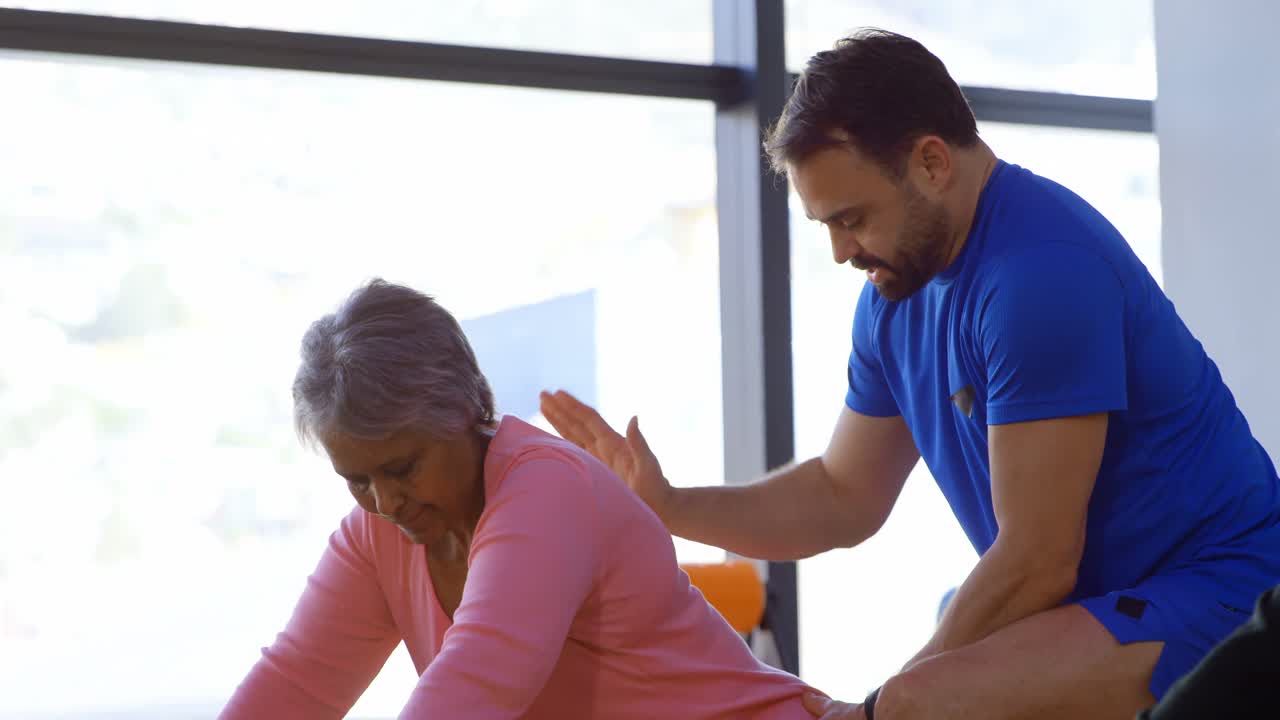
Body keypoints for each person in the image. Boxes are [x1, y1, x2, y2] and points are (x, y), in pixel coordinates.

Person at [539, 28, 1280, 720]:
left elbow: (1037, 559)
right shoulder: (897, 293)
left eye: (852, 218)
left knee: (919, 700)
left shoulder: (1040, 275)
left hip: (1220, 592)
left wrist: (876, 705)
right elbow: (841, 495)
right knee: (925, 677)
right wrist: (664, 505)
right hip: (1106, 600)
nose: (839, 251)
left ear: (931, 162)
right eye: (825, 225)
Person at [219, 279, 811, 719]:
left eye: (402, 468)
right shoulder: (375, 535)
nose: (386, 501)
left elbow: (474, 683)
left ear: (468, 410)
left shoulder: (545, 492)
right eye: (357, 480)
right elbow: (296, 683)